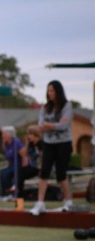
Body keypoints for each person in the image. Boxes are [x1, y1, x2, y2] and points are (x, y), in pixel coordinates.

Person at [30, 80, 74, 215]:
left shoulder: (66, 106)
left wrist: (49, 125)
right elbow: (40, 126)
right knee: (44, 172)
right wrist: (52, 125)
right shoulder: (44, 108)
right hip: (48, 143)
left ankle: (68, 201)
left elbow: (64, 126)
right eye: (48, 91)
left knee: (61, 174)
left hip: (64, 143)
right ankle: (40, 203)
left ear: (58, 92)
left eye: (52, 90)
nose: (50, 93)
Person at [0, 126, 24, 200]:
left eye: (4, 134)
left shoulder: (17, 143)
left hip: (18, 165)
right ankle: (3, 194)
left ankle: (10, 194)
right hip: (11, 165)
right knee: (2, 174)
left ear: (9, 135)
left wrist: (24, 167)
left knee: (6, 174)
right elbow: (7, 156)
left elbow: (24, 156)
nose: (2, 136)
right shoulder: (6, 143)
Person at [16, 125, 43, 198]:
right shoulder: (30, 144)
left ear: (36, 135)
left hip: (40, 168)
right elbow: (24, 154)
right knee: (19, 172)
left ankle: (20, 194)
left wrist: (42, 169)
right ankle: (19, 193)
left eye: (30, 134)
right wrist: (27, 143)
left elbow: (43, 158)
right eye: (27, 134)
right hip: (33, 167)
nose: (28, 136)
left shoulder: (41, 144)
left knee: (21, 173)